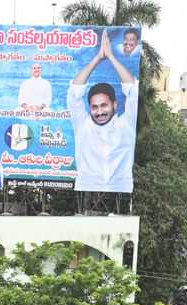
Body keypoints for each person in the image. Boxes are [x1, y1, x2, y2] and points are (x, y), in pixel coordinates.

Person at [69, 29, 138, 192]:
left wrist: (111, 57)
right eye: (94, 107)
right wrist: (99, 57)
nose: (99, 111)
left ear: (114, 105)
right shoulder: (83, 126)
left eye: (104, 105)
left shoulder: (126, 125)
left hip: (121, 190)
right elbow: (74, 92)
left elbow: (134, 90)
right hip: (85, 189)